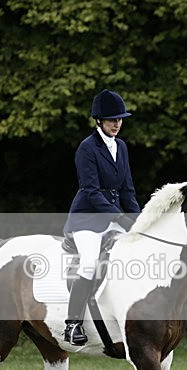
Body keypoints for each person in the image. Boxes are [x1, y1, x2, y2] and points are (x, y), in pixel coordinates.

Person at [62, 89, 141, 346]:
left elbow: (127, 189)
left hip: (113, 216)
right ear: (99, 120)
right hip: (88, 219)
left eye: (119, 119)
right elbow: (91, 192)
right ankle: (72, 324)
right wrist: (119, 216)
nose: (117, 124)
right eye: (111, 120)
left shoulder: (122, 147)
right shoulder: (87, 148)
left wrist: (139, 221)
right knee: (88, 262)